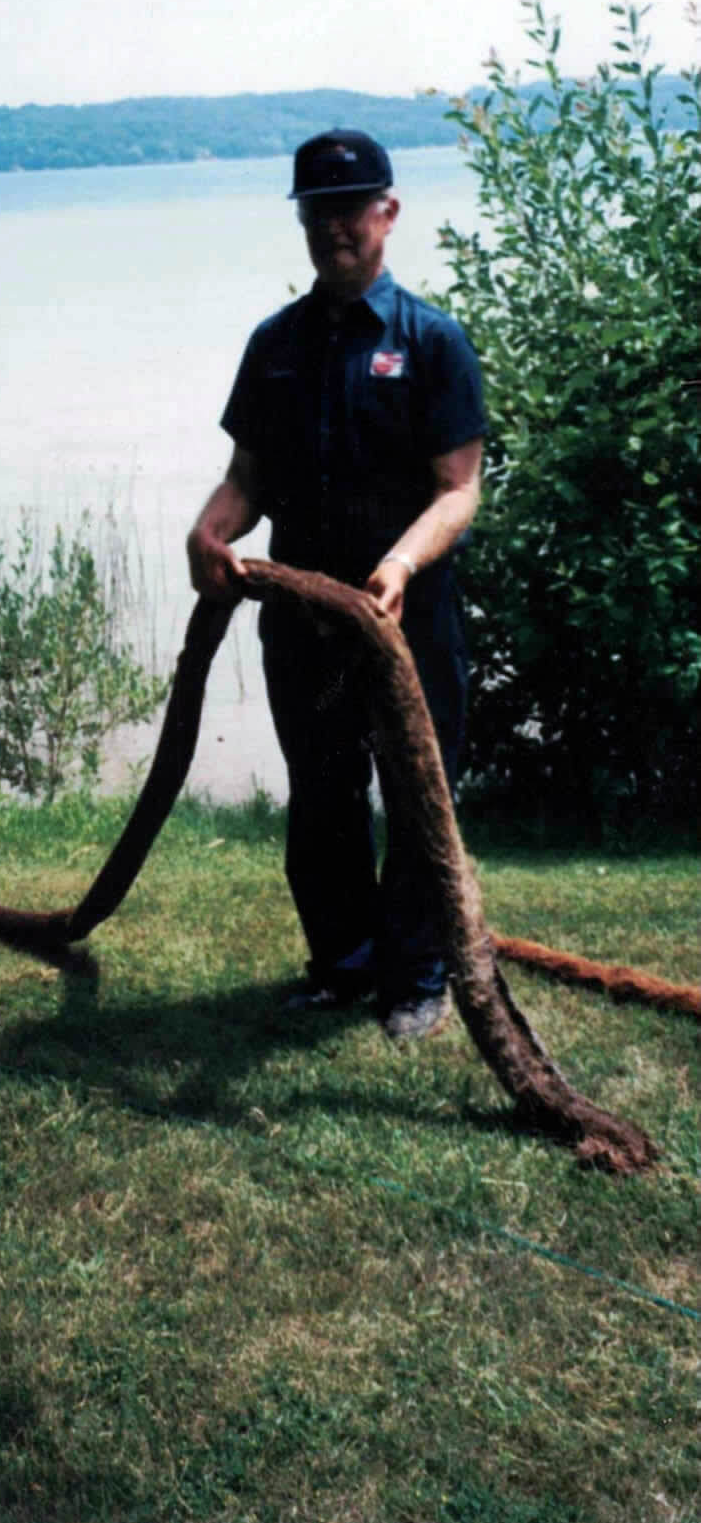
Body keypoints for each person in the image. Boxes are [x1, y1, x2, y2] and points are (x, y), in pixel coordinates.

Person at [187, 130, 486, 1041]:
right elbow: (247, 479)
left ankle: (420, 976)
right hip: (303, 622)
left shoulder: (430, 342)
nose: (334, 228)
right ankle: (344, 964)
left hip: (410, 620)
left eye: (351, 209)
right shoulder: (273, 347)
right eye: (317, 212)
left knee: (417, 792)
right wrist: (210, 529)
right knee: (320, 792)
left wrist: (398, 564)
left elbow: (460, 488)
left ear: (388, 213)